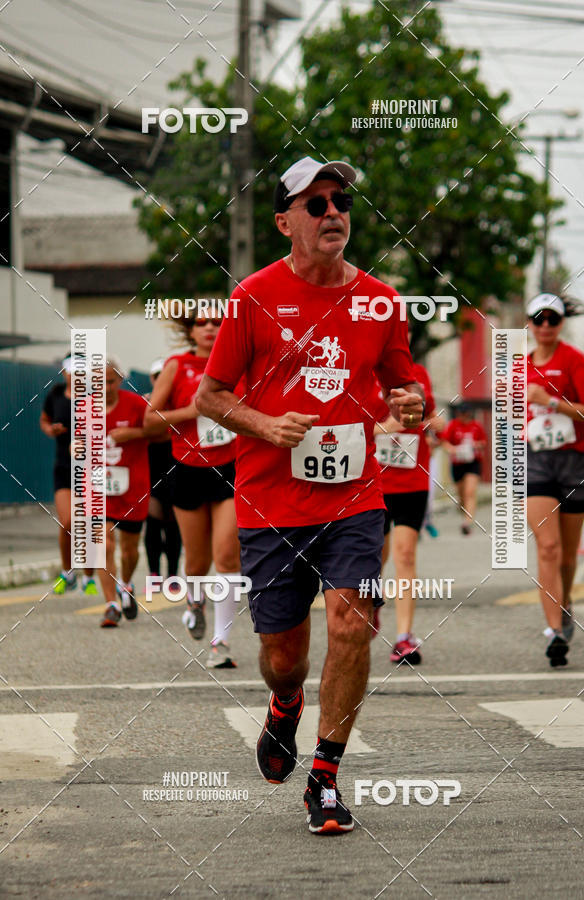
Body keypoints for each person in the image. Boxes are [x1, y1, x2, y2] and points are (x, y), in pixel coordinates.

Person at [195, 156, 424, 835]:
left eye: (341, 200)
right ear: (284, 221)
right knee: (282, 657)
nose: (333, 211)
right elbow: (212, 395)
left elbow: (403, 382)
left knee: (354, 623)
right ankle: (285, 703)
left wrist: (410, 403)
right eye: (316, 201)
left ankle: (325, 775)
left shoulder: (381, 300)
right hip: (271, 504)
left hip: (355, 496)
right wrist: (266, 425)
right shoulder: (253, 298)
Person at [144, 307, 241, 669]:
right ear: (191, 330)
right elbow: (149, 420)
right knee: (197, 561)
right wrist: (195, 411)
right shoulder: (176, 365)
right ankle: (195, 601)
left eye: (218, 323)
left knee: (227, 556)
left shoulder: (237, 365)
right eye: (203, 323)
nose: (211, 329)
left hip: (230, 470)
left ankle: (221, 641)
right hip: (186, 469)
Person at [526, 293, 584, 667]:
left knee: (568, 556)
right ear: (529, 324)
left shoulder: (573, 360)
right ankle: (555, 631)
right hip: (536, 463)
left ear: (560, 323)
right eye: (537, 319)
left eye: (551, 319)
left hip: (576, 461)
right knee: (549, 548)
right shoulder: (518, 366)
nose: (544, 326)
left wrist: (552, 402)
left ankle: (564, 602)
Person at [373, 362, 443, 664]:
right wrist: (383, 429)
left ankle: (403, 638)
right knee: (375, 559)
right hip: (372, 480)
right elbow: (343, 425)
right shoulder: (361, 369)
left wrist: (435, 426)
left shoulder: (419, 373)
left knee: (405, 555)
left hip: (412, 477)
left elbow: (427, 418)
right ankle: (371, 604)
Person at [97, 358, 152, 628]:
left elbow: (162, 433)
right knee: (103, 544)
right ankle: (111, 604)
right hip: (98, 486)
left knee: (129, 550)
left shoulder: (137, 404)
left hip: (132, 486)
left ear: (119, 380)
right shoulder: (84, 408)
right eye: (99, 381)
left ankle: (126, 584)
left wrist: (134, 433)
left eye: (110, 381)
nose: (105, 387)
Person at [40, 355, 97, 596]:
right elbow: (44, 420)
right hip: (64, 466)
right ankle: (68, 573)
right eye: (72, 370)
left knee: (91, 524)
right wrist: (50, 429)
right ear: (64, 372)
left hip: (90, 467)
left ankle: (90, 577)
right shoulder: (55, 394)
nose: (77, 374)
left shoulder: (95, 397)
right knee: (68, 522)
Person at [144, 359, 182, 586]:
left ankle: (174, 574)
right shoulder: (146, 403)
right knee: (153, 520)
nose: (160, 379)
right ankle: (154, 573)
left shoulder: (179, 402)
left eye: (163, 375)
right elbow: (146, 430)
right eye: (156, 375)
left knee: (173, 522)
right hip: (151, 467)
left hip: (177, 465)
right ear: (152, 378)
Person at [440, 403, 487, 535]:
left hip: (473, 463)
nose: (463, 416)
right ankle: (464, 511)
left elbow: (483, 442)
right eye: (461, 414)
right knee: (461, 495)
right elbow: (444, 442)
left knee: (470, 492)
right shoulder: (453, 425)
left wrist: (476, 445)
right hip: (457, 463)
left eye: (465, 414)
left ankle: (467, 522)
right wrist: (452, 449)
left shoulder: (476, 426)